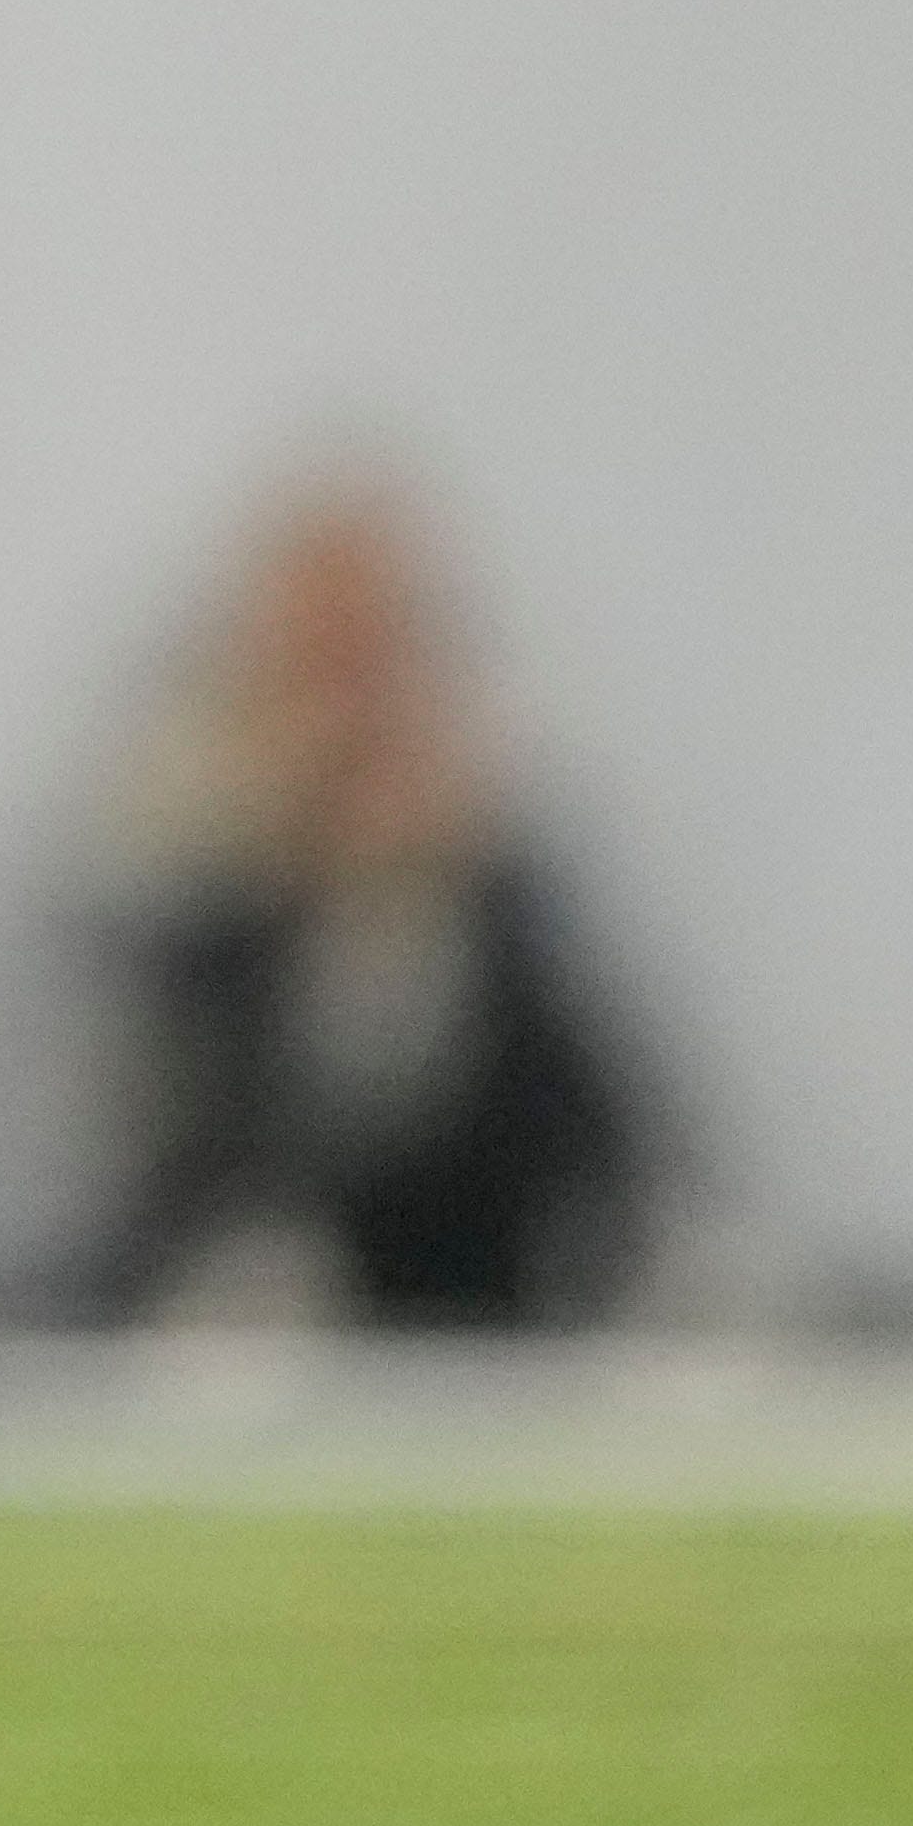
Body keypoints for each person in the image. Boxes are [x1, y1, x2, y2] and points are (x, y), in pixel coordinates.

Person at [86, 470, 649, 1327]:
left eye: (371, 653)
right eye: (318, 656)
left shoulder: (495, 893)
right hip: (234, 1305)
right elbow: (155, 1153)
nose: (349, 703)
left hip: (475, 1311)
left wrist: (412, 904)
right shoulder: (191, 889)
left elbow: (597, 1144)